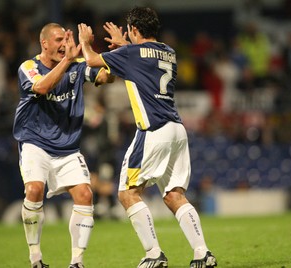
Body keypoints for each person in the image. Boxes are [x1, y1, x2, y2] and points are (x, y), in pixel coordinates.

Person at [78, 7, 217, 268]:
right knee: (174, 195)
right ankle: (203, 253)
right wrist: (124, 44)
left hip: (153, 130)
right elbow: (143, 59)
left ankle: (154, 253)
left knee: (127, 193)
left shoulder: (130, 53)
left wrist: (86, 43)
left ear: (132, 29)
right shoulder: (169, 52)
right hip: (177, 129)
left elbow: (92, 61)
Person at [12, 23, 113, 268]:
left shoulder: (77, 64)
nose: (63, 44)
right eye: (57, 40)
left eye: (65, 39)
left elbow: (104, 77)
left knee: (85, 195)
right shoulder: (29, 67)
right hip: (35, 142)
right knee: (34, 190)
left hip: (67, 147)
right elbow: (42, 87)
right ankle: (35, 257)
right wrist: (67, 61)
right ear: (44, 43)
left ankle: (77, 261)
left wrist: (90, 48)